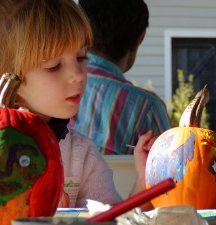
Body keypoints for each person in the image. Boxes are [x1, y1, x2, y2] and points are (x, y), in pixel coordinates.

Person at [0, 0, 153, 209]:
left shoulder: (80, 153)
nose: (77, 75)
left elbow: (109, 219)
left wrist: (144, 183)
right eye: (53, 66)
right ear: (0, 78)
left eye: (81, 57)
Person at [69, 0, 172, 155]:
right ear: (138, 39)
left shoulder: (46, 93)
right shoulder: (148, 108)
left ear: (79, 30)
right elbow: (171, 173)